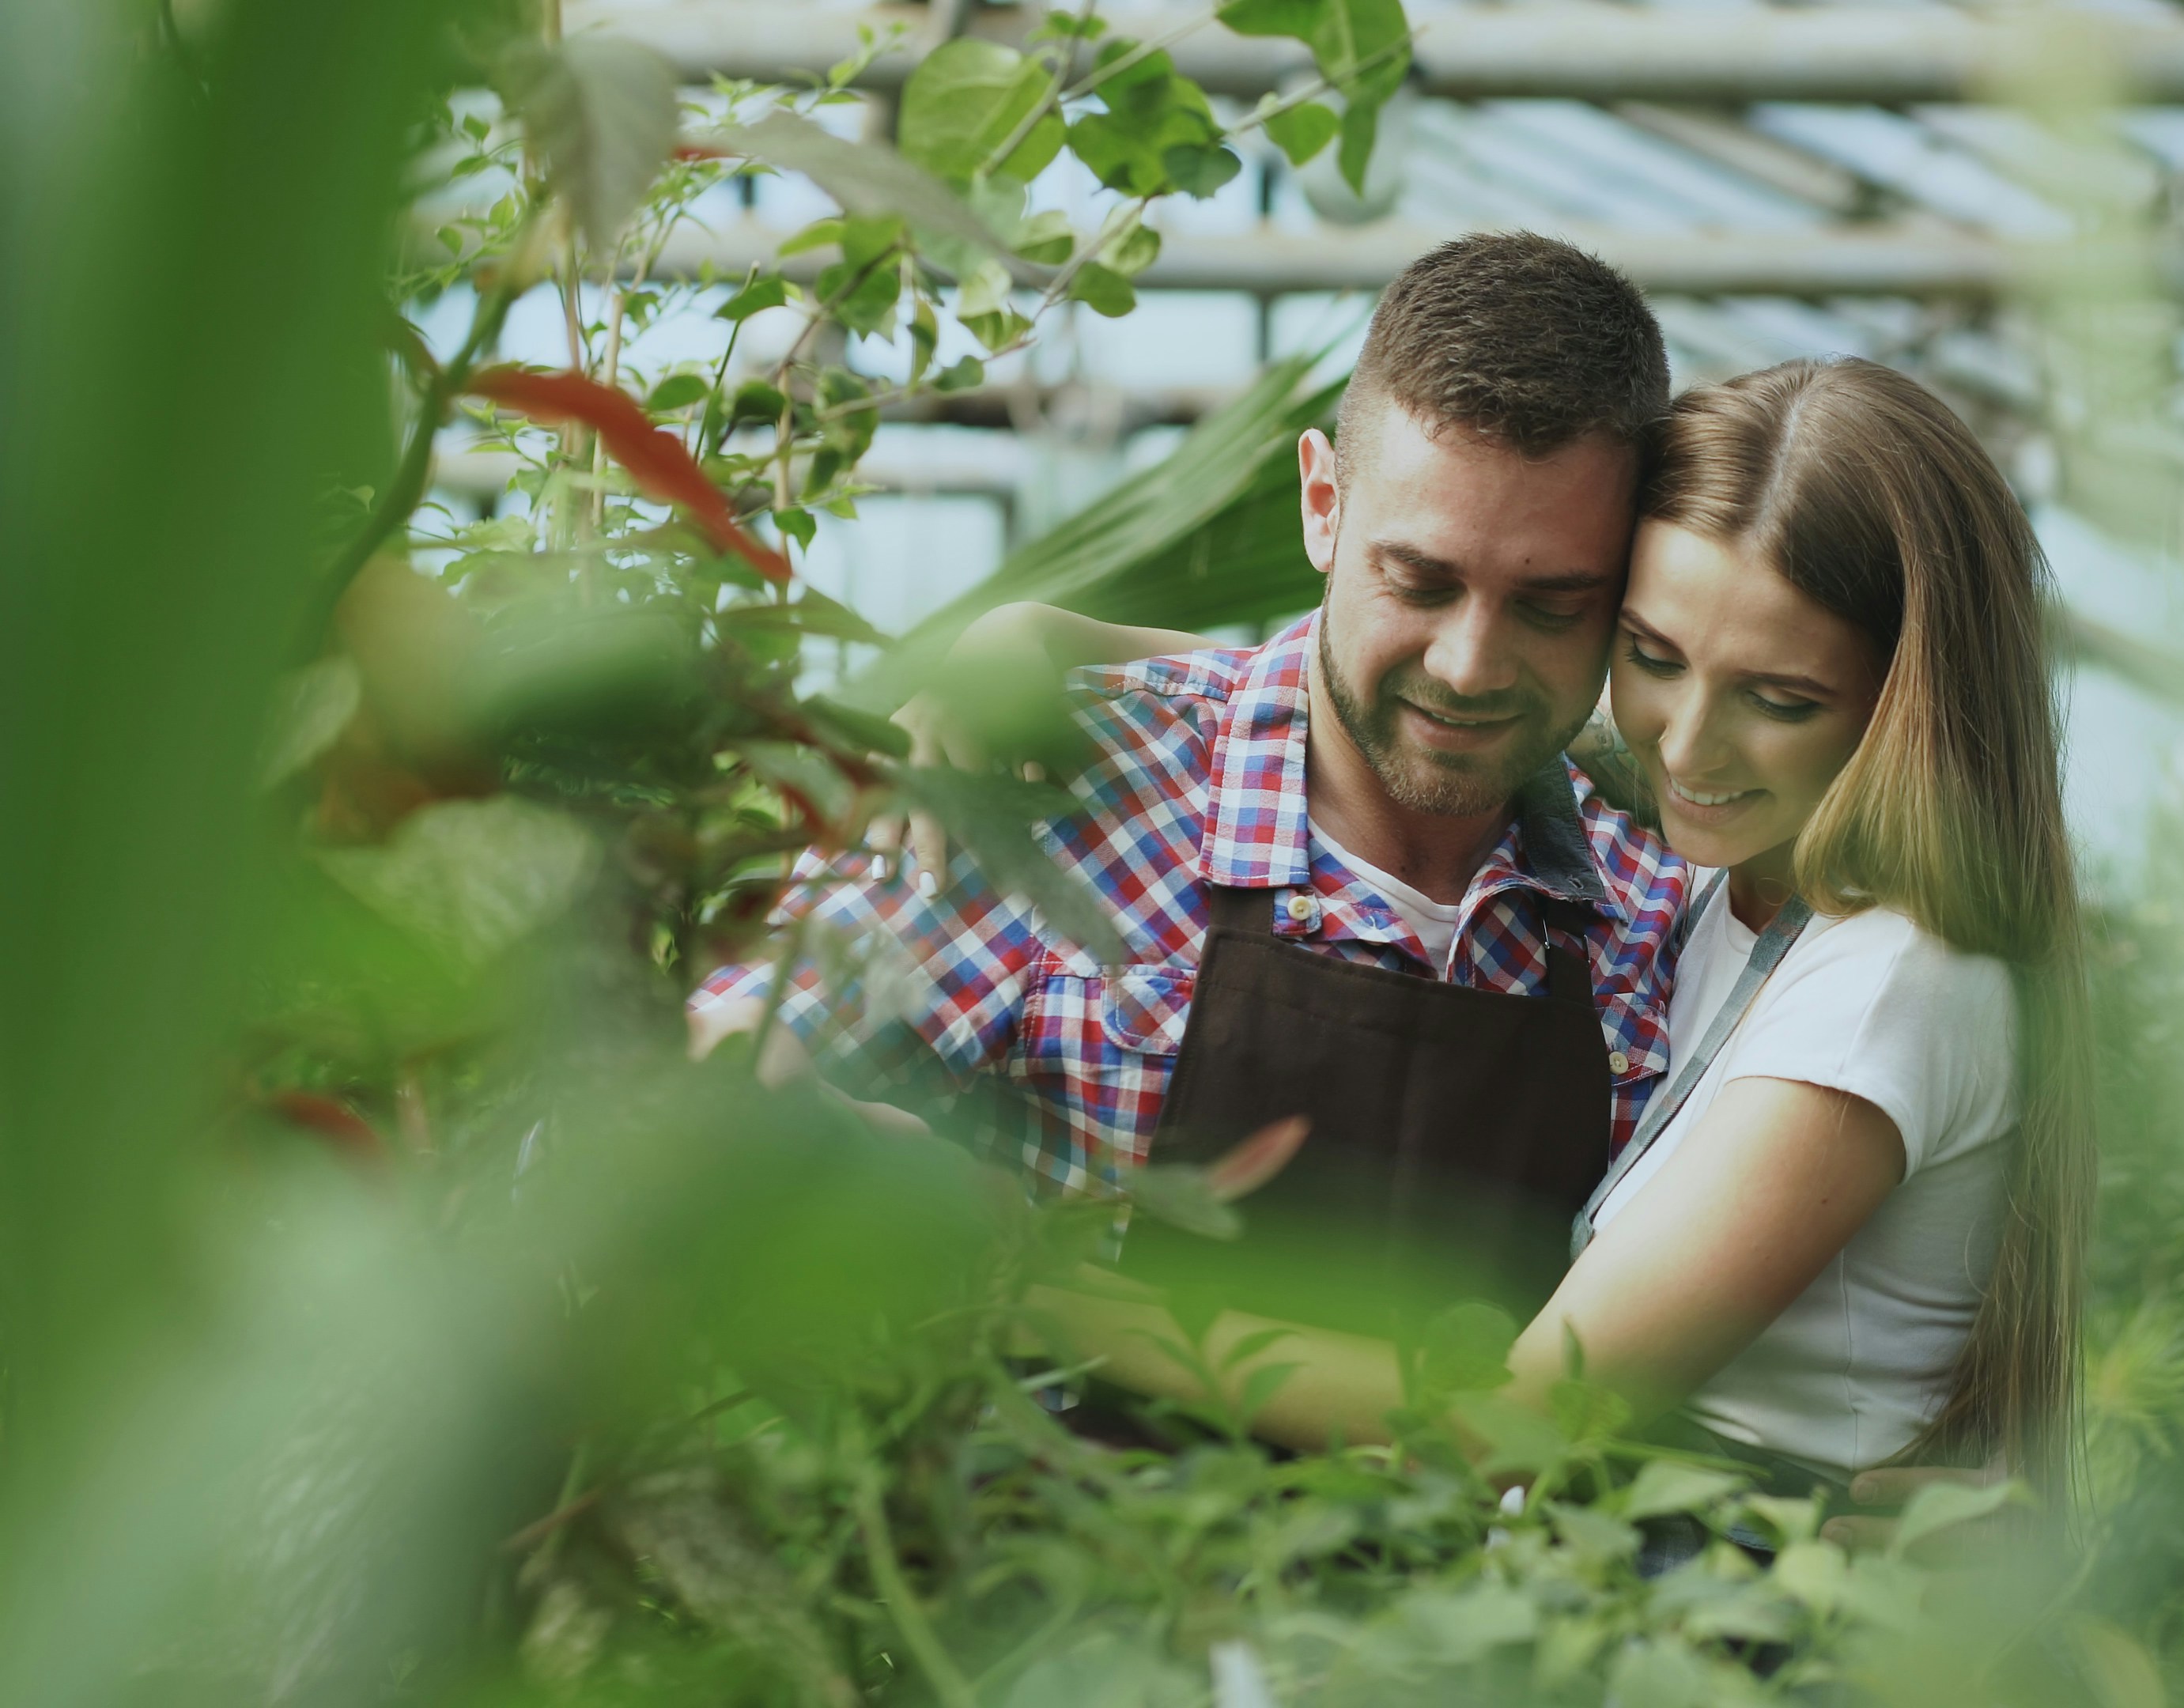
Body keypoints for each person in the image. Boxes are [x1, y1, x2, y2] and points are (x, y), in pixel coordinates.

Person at [1018, 358, 2097, 1510]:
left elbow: (1519, 1421)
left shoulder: (1891, 982)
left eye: (1779, 699)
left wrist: (1038, 1293)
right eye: (1652, 656)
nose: (1688, 747)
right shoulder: (1717, 883)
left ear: (1906, 696)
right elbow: (1366, 697)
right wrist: (1046, 643)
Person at [690, 232, 1691, 1336]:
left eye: (1552, 605)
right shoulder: (1066, 783)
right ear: (1323, 503)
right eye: (1418, 580)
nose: (1469, 665)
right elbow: (715, 1077)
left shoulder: (1654, 903)